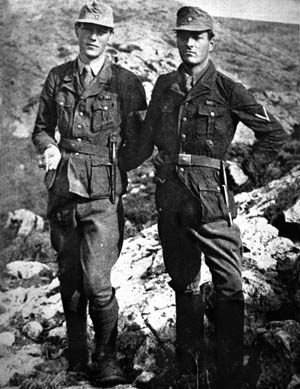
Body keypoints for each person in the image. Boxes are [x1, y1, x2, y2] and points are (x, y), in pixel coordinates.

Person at [139, 6, 286, 389]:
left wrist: (246, 170)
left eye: (198, 36)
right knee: (183, 281)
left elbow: (275, 134)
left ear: (211, 42)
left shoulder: (227, 89)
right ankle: (188, 368)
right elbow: (146, 139)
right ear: (176, 40)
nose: (189, 43)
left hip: (211, 201)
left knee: (228, 282)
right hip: (171, 198)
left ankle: (228, 370)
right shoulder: (163, 85)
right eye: (184, 36)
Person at [32, 1, 147, 386]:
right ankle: (77, 357)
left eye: (101, 31)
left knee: (97, 281)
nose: (93, 37)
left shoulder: (126, 82)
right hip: (64, 191)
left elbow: (141, 141)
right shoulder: (58, 76)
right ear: (77, 32)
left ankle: (108, 357)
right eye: (87, 29)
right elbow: (42, 127)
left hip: (103, 195)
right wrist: (49, 147)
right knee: (69, 278)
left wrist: (113, 168)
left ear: (110, 36)